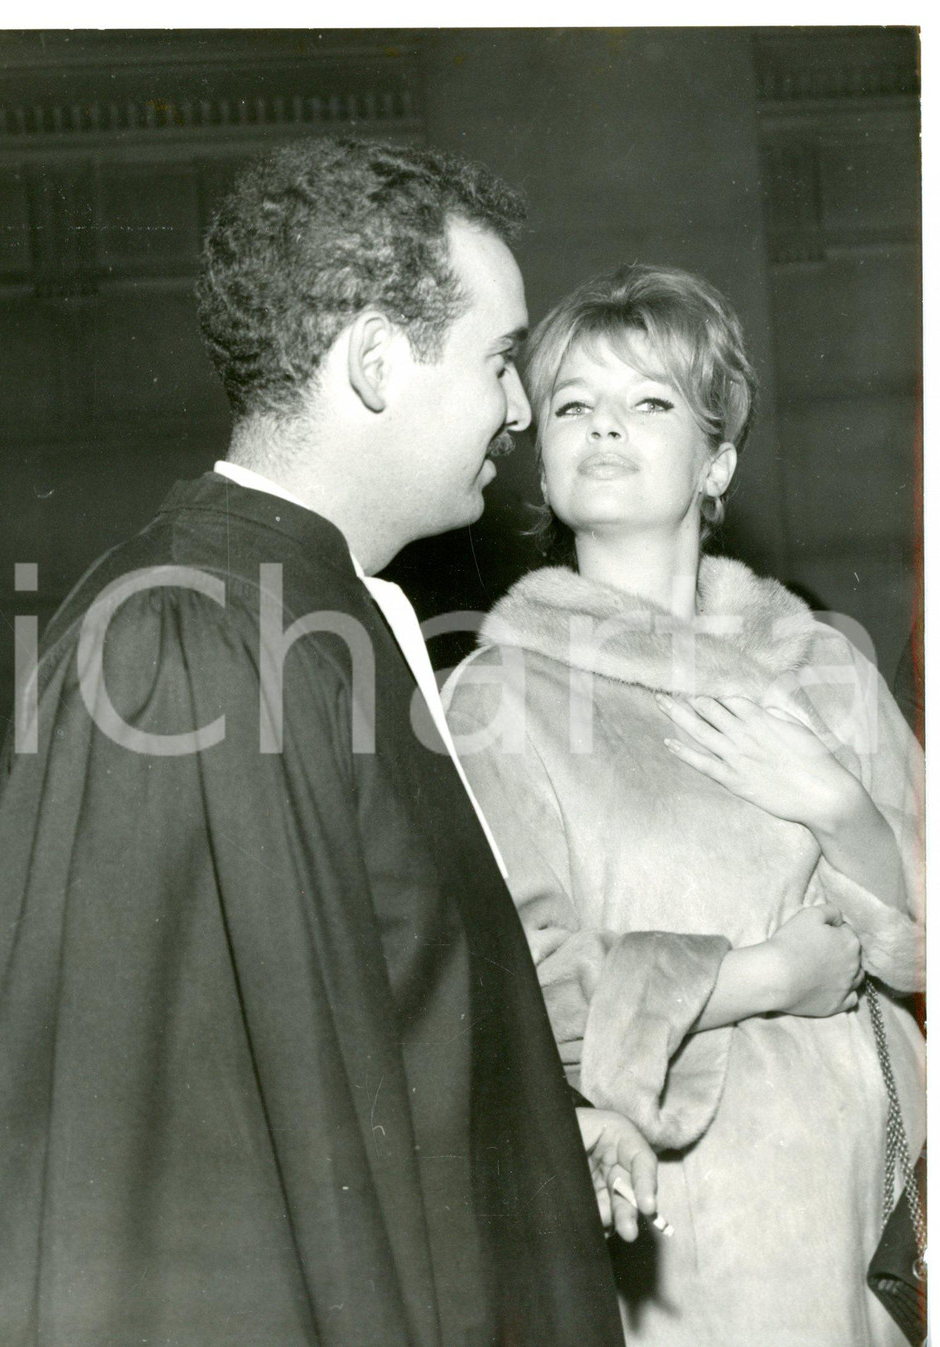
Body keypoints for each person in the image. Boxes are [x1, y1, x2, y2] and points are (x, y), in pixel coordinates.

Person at [0, 140, 656, 1345]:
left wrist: (528, 1117)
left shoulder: (321, 611)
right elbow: (162, 1191)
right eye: (499, 361)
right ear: (378, 364)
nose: (519, 408)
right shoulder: (183, 637)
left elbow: (364, 1020)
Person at [442, 264, 925, 1347]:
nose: (602, 428)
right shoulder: (501, 695)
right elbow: (521, 995)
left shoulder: (820, 664)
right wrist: (769, 979)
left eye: (647, 402)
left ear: (717, 459)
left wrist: (841, 808)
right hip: (690, 1215)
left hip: (888, 1207)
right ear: (543, 456)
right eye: (572, 405)